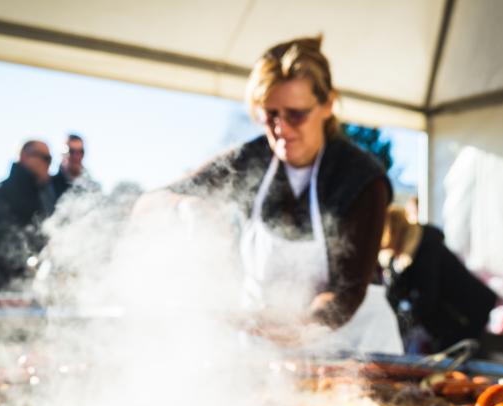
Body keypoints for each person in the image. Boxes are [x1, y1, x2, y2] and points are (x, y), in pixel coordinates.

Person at [136, 36, 402, 353]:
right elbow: (152, 201)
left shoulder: (361, 178)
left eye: (296, 114)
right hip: (267, 351)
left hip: (357, 347)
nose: (282, 129)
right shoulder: (252, 160)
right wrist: (184, 208)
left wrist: (297, 325)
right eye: (270, 114)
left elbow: (346, 292)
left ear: (328, 105)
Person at [380, 205, 498, 352]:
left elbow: (427, 298)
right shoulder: (396, 259)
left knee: (458, 362)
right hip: (447, 322)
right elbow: (394, 294)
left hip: (464, 315)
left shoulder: (426, 248)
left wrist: (400, 325)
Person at [0, 140, 55, 291]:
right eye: (45, 158)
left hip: (31, 286)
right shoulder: (2, 194)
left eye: (49, 159)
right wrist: (28, 262)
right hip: (3, 288)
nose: (48, 164)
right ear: (24, 156)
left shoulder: (40, 194)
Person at [51, 134, 101, 203]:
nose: (77, 156)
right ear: (62, 154)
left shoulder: (93, 187)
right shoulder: (50, 184)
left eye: (81, 151)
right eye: (71, 151)